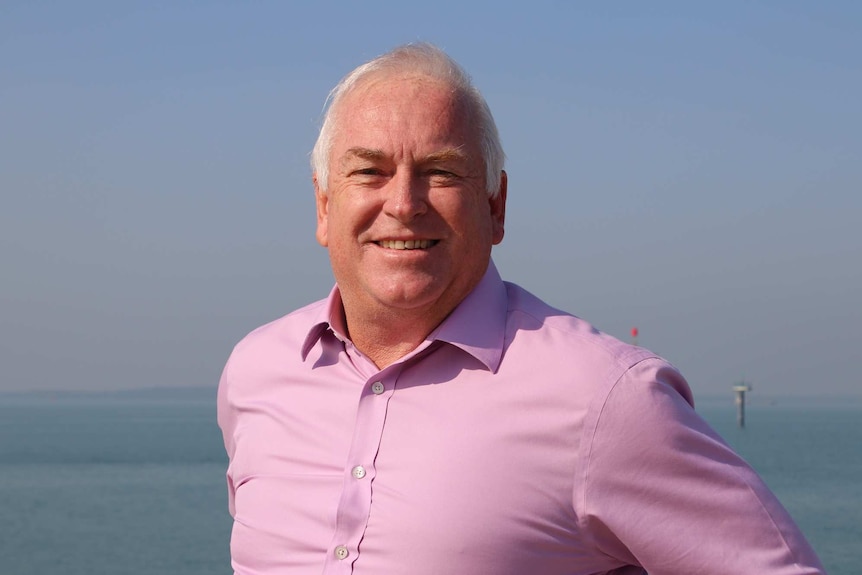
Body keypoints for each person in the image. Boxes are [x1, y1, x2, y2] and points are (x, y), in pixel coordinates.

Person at [217, 43, 825, 575]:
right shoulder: (256, 374)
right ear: (324, 207)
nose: (403, 203)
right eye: (369, 172)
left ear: (497, 205)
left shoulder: (607, 399)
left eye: (442, 172)